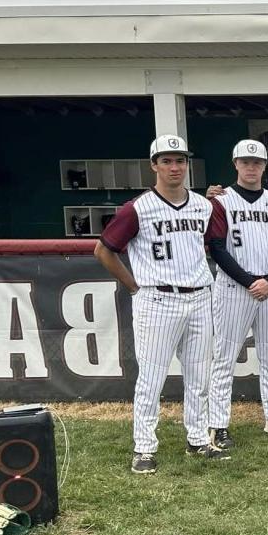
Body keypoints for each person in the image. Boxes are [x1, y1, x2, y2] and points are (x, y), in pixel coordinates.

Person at [94, 134, 227, 473]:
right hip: (157, 297)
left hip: (199, 295)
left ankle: (197, 439)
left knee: (199, 377)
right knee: (151, 378)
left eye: (180, 160)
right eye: (166, 160)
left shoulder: (203, 205)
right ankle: (144, 447)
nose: (174, 166)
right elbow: (103, 250)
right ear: (153, 165)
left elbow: (213, 245)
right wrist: (134, 287)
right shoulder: (137, 207)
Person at [206, 139, 268, 446]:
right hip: (234, 287)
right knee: (224, 357)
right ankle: (218, 424)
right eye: (246, 162)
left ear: (264, 166)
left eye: (257, 163)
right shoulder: (221, 201)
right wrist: (248, 281)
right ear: (236, 164)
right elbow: (216, 246)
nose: (251, 167)